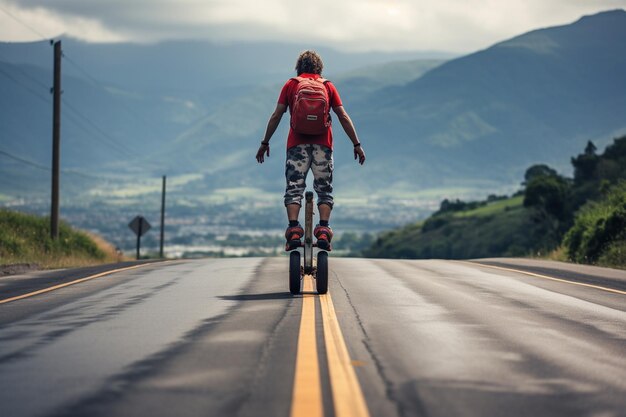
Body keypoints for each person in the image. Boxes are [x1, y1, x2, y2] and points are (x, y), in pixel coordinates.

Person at [256, 50, 365, 251]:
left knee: (294, 188)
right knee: (324, 190)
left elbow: (276, 115)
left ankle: (294, 230)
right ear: (319, 68)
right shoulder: (327, 86)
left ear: (299, 67)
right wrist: (356, 144)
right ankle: (323, 230)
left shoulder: (292, 84)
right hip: (323, 145)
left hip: (297, 145)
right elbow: (342, 116)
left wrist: (265, 142)